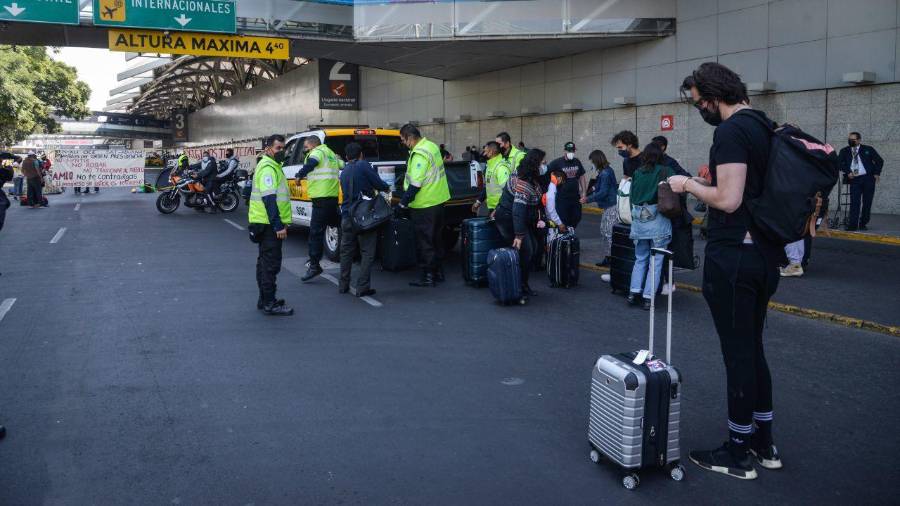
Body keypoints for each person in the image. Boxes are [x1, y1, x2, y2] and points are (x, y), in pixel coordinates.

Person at [668, 62, 783, 480]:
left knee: (737, 354)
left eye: (700, 103)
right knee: (752, 349)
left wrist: (688, 185)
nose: (701, 110)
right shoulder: (764, 125)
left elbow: (729, 199)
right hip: (763, 255)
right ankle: (763, 442)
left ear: (715, 97)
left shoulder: (732, 131)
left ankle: (737, 452)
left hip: (733, 255)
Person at [397, 124, 451, 287]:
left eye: (403, 139)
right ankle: (438, 273)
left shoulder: (419, 153)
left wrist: (402, 204)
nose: (403, 143)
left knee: (425, 242)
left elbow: (415, 184)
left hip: (424, 205)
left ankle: (428, 277)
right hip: (438, 201)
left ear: (410, 137)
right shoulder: (432, 146)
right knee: (436, 239)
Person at [248, 134, 293, 316]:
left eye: (283, 148)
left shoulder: (272, 166)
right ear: (268, 149)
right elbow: (269, 200)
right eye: (278, 148)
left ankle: (263, 300)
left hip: (262, 222)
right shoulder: (268, 168)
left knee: (263, 263)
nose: (281, 151)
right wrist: (278, 226)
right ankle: (269, 303)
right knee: (270, 265)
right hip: (268, 225)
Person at [338, 142, 390, 297]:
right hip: (363, 217)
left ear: (347, 157)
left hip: (347, 216)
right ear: (361, 154)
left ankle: (343, 285)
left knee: (346, 252)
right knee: (367, 252)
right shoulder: (363, 165)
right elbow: (379, 184)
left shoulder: (344, 171)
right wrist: (387, 187)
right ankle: (362, 287)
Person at [626, 142, 673, 309]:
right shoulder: (665, 171)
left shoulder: (637, 172)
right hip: (658, 222)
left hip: (639, 221)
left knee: (640, 259)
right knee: (657, 261)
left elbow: (631, 197)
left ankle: (633, 293)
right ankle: (648, 297)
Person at [494, 148, 544, 297]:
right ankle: (519, 285)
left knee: (532, 248)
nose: (544, 165)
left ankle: (521, 284)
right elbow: (518, 211)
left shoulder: (525, 173)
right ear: (535, 164)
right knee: (526, 250)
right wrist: (519, 235)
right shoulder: (524, 184)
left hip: (514, 217)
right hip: (510, 219)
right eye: (542, 162)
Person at [294, 136, 343, 282]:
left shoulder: (317, 152)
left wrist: (299, 174)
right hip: (332, 198)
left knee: (315, 232)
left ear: (312, 144)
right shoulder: (331, 154)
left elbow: (312, 162)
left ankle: (314, 266)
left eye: (306, 146)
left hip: (321, 199)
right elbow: (342, 164)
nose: (305, 149)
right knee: (338, 224)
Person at [839, 132, 883, 231]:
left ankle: (863, 222)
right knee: (855, 202)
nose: (850, 141)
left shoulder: (868, 149)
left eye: (853, 139)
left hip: (868, 179)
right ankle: (853, 225)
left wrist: (877, 173)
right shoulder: (844, 151)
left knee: (867, 202)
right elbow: (839, 163)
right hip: (854, 179)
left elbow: (879, 161)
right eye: (849, 139)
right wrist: (847, 172)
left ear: (859, 140)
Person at [581, 150, 618, 268]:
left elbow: (603, 192)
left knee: (608, 233)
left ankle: (612, 259)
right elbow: (600, 187)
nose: (591, 164)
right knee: (605, 232)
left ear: (596, 160)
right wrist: (591, 190)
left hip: (611, 206)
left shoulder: (605, 173)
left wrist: (587, 199)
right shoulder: (605, 171)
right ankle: (609, 257)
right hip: (609, 206)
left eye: (592, 161)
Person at [546, 141, 587, 229]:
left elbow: (581, 176)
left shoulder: (577, 162)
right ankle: (564, 236)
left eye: (572, 151)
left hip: (575, 197)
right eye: (569, 151)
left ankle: (571, 233)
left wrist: (584, 192)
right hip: (562, 198)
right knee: (563, 219)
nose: (571, 153)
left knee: (576, 217)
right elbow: (547, 172)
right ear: (564, 151)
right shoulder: (557, 162)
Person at [472, 141, 512, 215]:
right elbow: (488, 186)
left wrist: (497, 209)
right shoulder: (490, 166)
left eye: (485, 151)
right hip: (492, 208)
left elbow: (507, 192)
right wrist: (478, 202)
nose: (484, 153)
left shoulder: (501, 168)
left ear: (491, 152)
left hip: (501, 210)